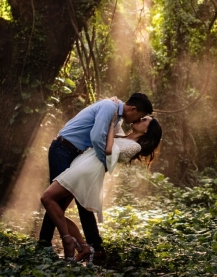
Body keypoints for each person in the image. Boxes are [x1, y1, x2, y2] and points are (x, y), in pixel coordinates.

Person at [37, 93, 154, 260]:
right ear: (133, 109)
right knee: (55, 201)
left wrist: (97, 165)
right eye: (140, 116)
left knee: (58, 202)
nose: (137, 120)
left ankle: (76, 246)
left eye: (142, 119)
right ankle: (50, 245)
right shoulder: (109, 108)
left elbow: (112, 140)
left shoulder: (116, 118)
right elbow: (97, 137)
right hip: (63, 149)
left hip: (77, 157)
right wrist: (100, 162)